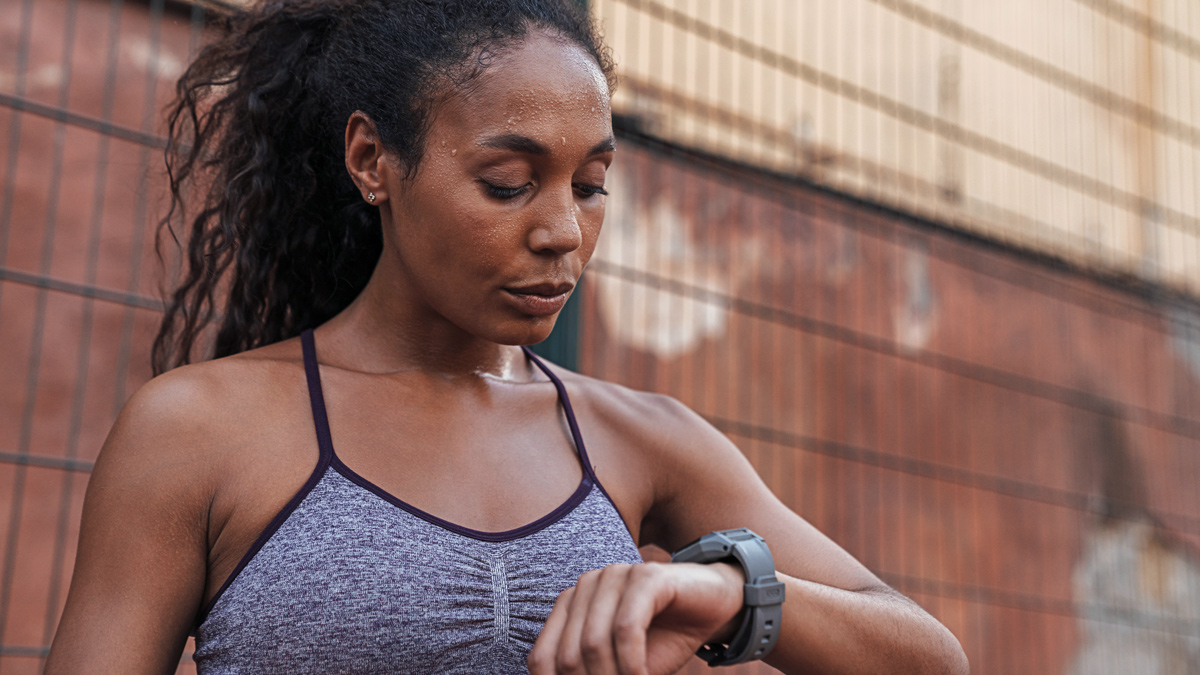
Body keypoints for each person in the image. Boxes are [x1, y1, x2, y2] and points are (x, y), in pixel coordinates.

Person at [45, 1, 969, 673]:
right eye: (508, 182)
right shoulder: (197, 430)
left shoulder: (639, 438)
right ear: (373, 161)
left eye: (591, 183)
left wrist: (731, 593)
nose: (563, 230)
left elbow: (930, 656)